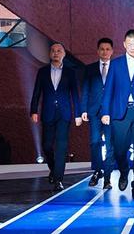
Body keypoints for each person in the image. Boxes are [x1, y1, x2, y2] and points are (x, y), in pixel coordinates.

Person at [101, 30, 134, 200]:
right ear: (124, 44)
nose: (132, 47)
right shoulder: (116, 64)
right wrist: (105, 112)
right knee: (119, 149)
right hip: (119, 111)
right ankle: (124, 171)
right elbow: (108, 89)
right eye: (129, 44)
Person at [30, 42, 82, 191]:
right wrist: (34, 110)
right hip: (48, 113)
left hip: (64, 114)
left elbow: (75, 94)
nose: (56, 53)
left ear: (64, 54)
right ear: (49, 53)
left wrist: (78, 114)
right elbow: (36, 92)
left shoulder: (70, 72)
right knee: (47, 145)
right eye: (53, 50)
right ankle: (53, 169)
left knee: (61, 147)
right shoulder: (42, 71)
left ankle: (58, 180)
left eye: (59, 50)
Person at [81, 37, 115, 188]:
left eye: (107, 49)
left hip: (112, 112)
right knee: (94, 142)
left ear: (112, 51)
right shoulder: (89, 69)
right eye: (102, 49)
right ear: (97, 51)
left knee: (110, 145)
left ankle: (107, 177)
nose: (105, 52)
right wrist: (83, 109)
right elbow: (85, 90)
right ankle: (97, 170)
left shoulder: (117, 68)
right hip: (94, 111)